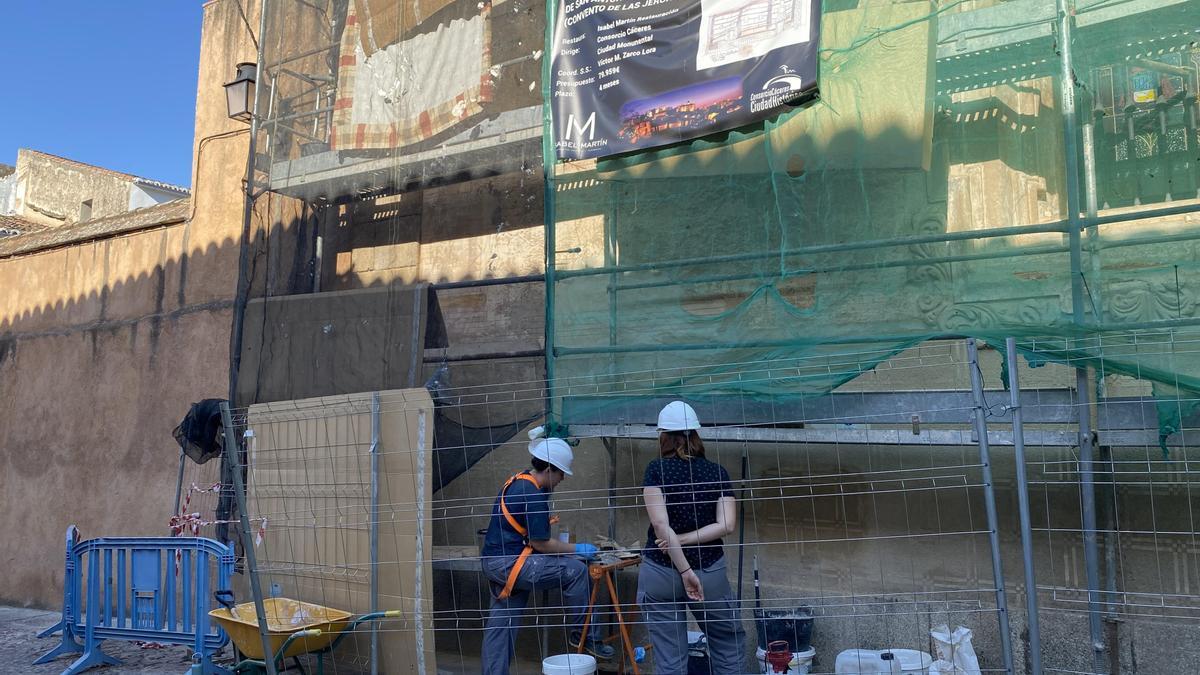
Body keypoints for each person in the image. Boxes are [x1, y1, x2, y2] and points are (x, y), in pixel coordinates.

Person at [481, 430, 616, 674]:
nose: (562, 478)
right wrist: (576, 549)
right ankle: (585, 637)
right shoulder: (533, 495)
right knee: (576, 571)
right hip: (511, 563)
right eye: (561, 473)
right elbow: (541, 543)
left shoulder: (519, 481)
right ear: (550, 469)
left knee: (501, 625)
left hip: (497, 561)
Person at [637, 401, 746, 674]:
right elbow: (727, 525)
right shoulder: (717, 472)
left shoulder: (656, 470)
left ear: (664, 436)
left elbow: (661, 526)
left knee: (670, 659)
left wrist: (681, 559)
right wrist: (687, 551)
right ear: (696, 435)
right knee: (727, 646)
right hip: (709, 571)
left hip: (661, 572)